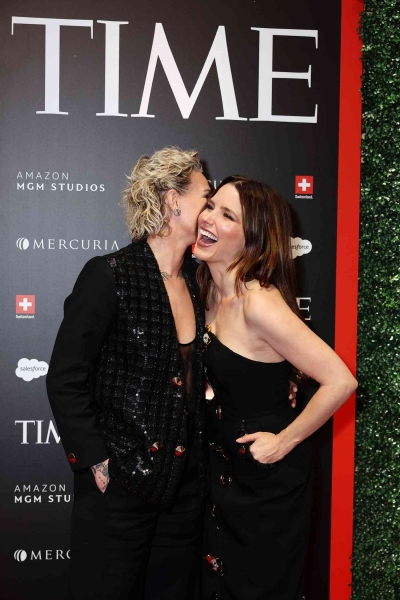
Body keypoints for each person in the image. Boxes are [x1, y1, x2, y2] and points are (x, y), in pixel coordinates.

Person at [46, 147, 212, 600]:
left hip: (184, 491)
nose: (211, 210)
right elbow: (65, 376)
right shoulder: (110, 275)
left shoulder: (202, 283)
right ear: (172, 200)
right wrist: (95, 460)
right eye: (205, 197)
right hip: (120, 486)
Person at [194, 175, 358, 600]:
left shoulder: (259, 303)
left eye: (226, 215)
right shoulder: (207, 288)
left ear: (253, 239)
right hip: (221, 472)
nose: (207, 218)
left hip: (267, 486)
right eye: (210, 205)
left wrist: (285, 441)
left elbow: (340, 381)